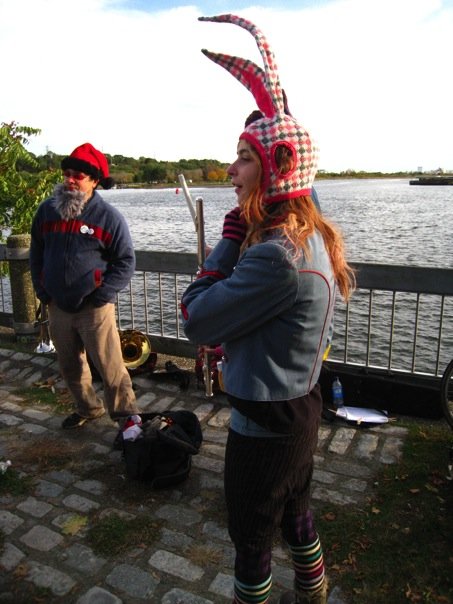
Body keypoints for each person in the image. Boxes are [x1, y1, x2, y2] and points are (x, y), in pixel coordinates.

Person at [181, 14, 355, 604]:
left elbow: (197, 316)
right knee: (297, 511)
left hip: (264, 426)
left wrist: (228, 239)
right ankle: (316, 589)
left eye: (244, 158)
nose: (229, 171)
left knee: (252, 539)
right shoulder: (309, 233)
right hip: (299, 410)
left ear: (275, 172)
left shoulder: (275, 255)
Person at [29, 142, 139, 434]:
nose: (69, 179)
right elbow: (36, 253)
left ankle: (127, 419)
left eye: (78, 175)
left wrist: (102, 294)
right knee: (70, 366)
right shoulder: (47, 212)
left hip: (94, 308)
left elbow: (126, 261)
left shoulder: (109, 217)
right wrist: (43, 290)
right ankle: (87, 408)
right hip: (58, 306)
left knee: (111, 368)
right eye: (67, 173)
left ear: (94, 181)